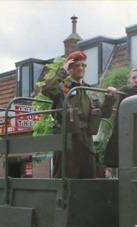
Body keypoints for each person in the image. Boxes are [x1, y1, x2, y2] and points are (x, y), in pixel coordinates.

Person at [40, 50, 117, 178]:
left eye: (83, 65)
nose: (81, 68)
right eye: (77, 65)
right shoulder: (62, 88)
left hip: (87, 143)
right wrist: (62, 71)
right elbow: (47, 89)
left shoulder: (89, 90)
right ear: (70, 68)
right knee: (65, 181)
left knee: (89, 182)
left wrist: (109, 99)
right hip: (67, 142)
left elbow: (104, 113)